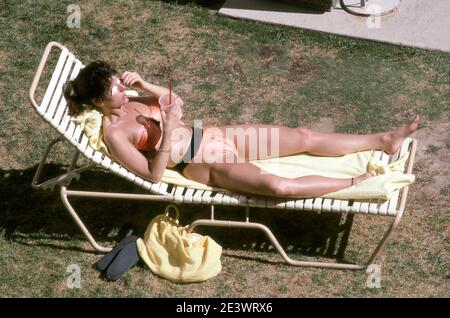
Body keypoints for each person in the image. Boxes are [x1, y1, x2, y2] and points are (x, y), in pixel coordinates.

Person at [63, 61, 419, 199]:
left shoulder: (132, 102)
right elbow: (154, 176)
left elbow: (174, 99)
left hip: (218, 136)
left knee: (303, 136)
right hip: (201, 162)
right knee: (276, 186)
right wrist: (169, 132)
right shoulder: (115, 135)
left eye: (120, 83)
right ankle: (355, 183)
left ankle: (383, 140)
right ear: (97, 102)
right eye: (114, 89)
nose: (122, 91)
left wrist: (145, 83)